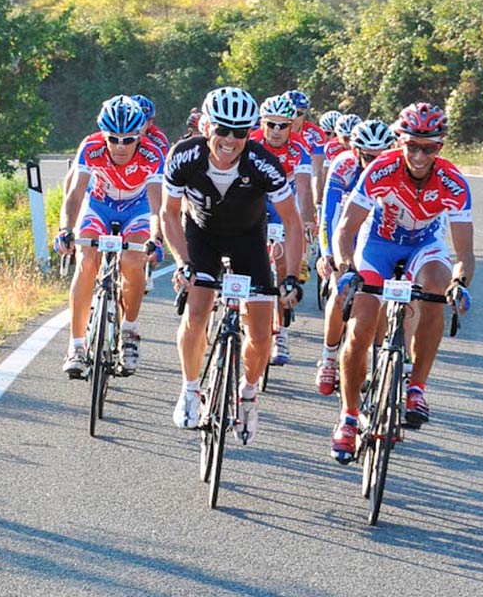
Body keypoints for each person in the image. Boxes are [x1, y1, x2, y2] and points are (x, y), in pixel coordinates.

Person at [329, 102, 474, 463]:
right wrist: (347, 266)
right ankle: (348, 418)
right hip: (378, 244)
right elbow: (346, 228)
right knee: (361, 326)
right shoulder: (381, 169)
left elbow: (465, 253)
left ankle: (417, 388)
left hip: (424, 245)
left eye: (430, 148)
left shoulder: (453, 182)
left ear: (441, 147)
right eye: (412, 146)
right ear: (400, 142)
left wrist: (461, 282)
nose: (420, 155)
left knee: (437, 287)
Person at [161, 87, 304, 445]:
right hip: (201, 237)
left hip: (247, 241)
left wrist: (290, 277)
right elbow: (168, 213)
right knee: (196, 313)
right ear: (205, 125)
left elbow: (293, 223)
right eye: (222, 130)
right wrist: (183, 263)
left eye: (240, 132)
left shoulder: (263, 164)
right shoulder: (184, 156)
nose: (230, 140)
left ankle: (249, 395)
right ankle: (191, 389)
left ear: (249, 133)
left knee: (259, 335)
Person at [55, 95, 165, 378]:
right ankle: (76, 346)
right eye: (113, 138)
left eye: (128, 139)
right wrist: (65, 229)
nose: (120, 146)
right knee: (86, 261)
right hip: (99, 204)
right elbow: (75, 193)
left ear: (140, 136)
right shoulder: (91, 147)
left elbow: (157, 205)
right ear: (103, 134)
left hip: (137, 208)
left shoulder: (152, 154)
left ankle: (129, 330)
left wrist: (156, 238)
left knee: (131, 261)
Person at [315, 119, 396, 395]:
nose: (374, 162)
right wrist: (327, 254)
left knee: (384, 299)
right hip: (346, 232)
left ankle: (386, 360)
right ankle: (328, 357)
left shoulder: (395, 169)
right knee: (340, 290)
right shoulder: (343, 165)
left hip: (377, 237)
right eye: (368, 157)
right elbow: (329, 215)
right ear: (354, 149)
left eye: (380, 156)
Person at [250, 94, 314, 366]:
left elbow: (303, 189)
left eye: (283, 125)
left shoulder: (300, 148)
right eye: (271, 124)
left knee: (282, 266)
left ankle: (281, 334)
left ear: (292, 125)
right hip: (253, 197)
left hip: (282, 201)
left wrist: (307, 220)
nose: (276, 131)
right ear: (262, 123)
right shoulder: (250, 141)